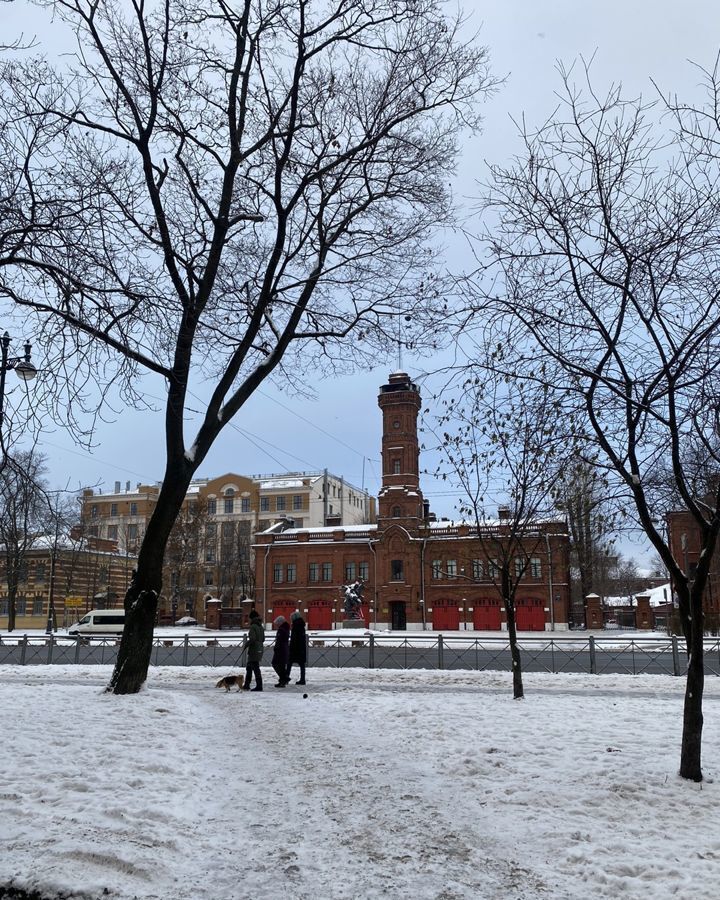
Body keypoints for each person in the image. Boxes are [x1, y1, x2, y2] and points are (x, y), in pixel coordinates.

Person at [243, 609, 265, 691]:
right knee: (250, 666)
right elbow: (263, 639)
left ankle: (259, 686)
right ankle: (246, 684)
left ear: (252, 618)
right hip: (260, 648)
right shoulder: (261, 626)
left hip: (254, 649)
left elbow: (252, 638)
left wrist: (247, 644)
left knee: (255, 667)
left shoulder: (253, 626)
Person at [286, 611, 307, 685]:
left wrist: (291, 647)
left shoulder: (295, 626)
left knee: (289, 663)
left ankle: (286, 678)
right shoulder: (301, 625)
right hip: (301, 648)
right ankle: (302, 679)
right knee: (301, 665)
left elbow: (294, 639)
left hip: (295, 648)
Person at [272, 615, 291, 687]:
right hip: (284, 649)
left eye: (277, 624)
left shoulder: (281, 630)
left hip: (280, 650)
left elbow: (279, 641)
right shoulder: (286, 628)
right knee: (281, 666)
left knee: (275, 664)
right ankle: (283, 680)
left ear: (280, 623)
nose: (276, 625)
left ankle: (284, 678)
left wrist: (276, 648)